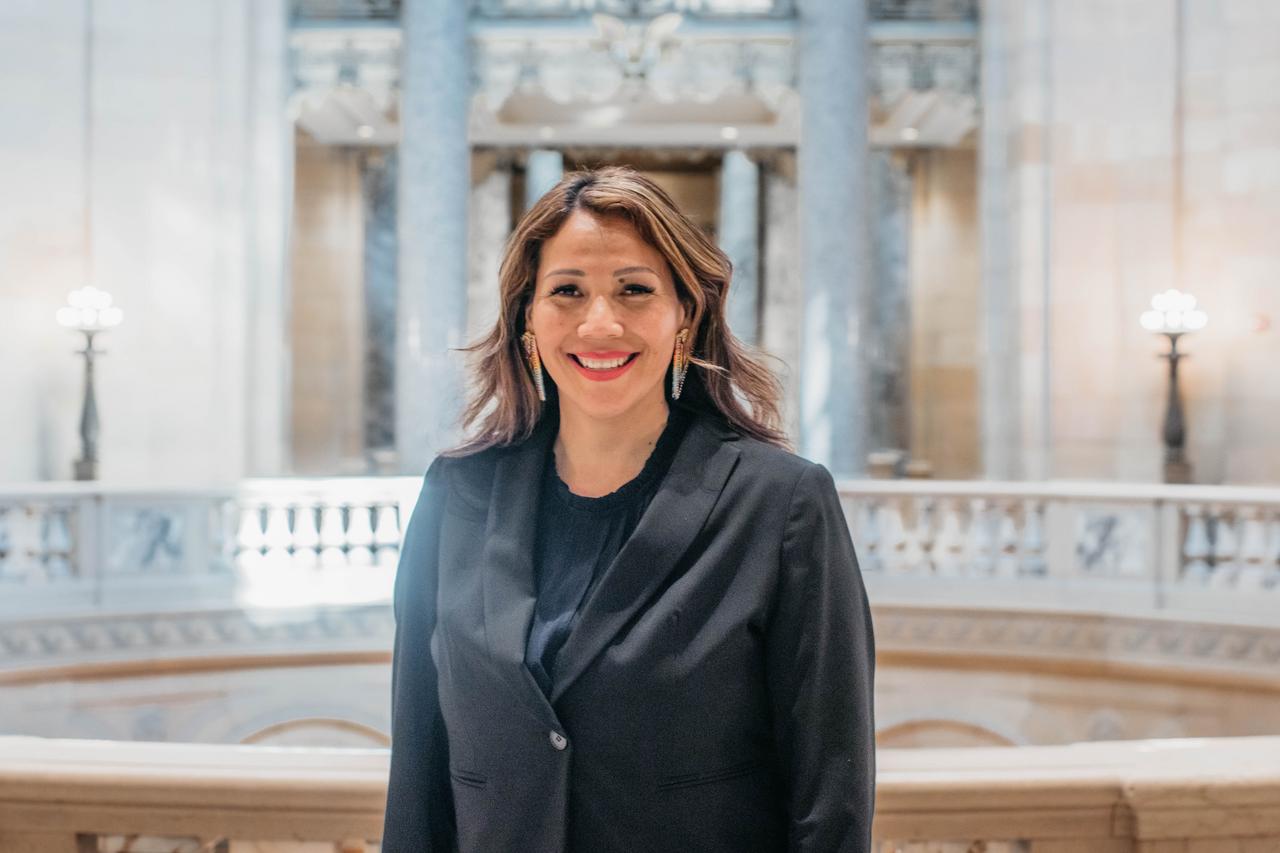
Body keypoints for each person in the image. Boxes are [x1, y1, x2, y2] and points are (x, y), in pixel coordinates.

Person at [381, 165, 876, 853]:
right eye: (568, 291)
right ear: (528, 318)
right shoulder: (455, 495)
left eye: (635, 289)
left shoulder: (781, 504)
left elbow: (831, 797)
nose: (600, 321)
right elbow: (418, 776)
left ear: (686, 315)